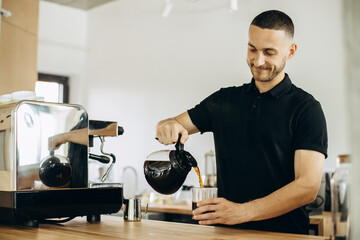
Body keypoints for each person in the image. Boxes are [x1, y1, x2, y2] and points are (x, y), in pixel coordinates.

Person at [155, 10, 328, 234]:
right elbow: (169, 125)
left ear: (291, 51)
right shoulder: (224, 100)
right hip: (227, 234)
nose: (258, 60)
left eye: (269, 52)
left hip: (284, 236)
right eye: (252, 49)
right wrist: (166, 126)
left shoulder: (306, 108)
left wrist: (242, 212)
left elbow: (307, 187)